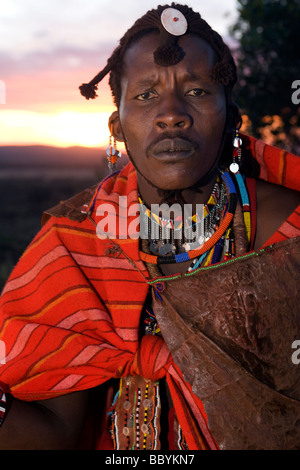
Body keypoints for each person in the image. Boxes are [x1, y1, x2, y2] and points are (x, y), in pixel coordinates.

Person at [0, 3, 299, 450]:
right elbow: (54, 433)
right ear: (117, 126)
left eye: (197, 92)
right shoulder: (75, 245)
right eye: (145, 95)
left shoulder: (287, 235)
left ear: (232, 119)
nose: (171, 113)